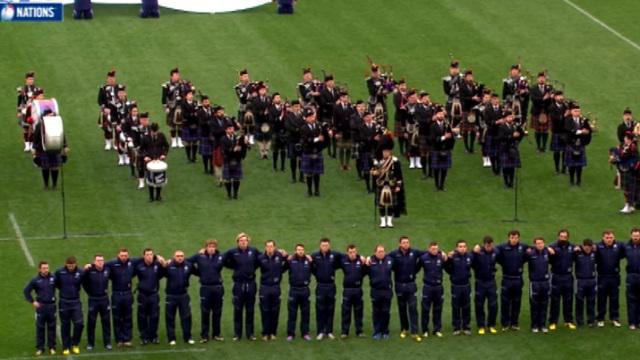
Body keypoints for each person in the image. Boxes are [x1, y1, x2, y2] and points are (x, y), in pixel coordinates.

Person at [223, 233, 260, 341]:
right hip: (238, 285)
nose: (243, 242)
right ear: (237, 242)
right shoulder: (232, 252)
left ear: (248, 241)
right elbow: (222, 259)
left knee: (250, 309)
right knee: (238, 310)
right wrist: (233, 266)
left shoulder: (253, 251)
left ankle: (250, 334)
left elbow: (262, 258)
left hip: (251, 284)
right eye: (241, 240)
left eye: (245, 240)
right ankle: (237, 334)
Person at [189, 240, 225, 343]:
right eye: (210, 246)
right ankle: (204, 336)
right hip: (205, 288)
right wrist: (198, 273)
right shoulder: (199, 256)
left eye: (213, 246)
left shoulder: (221, 256)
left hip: (218, 288)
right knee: (205, 312)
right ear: (206, 247)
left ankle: (216, 334)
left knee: (217, 312)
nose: (211, 248)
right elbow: (187, 262)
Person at [389, 236, 422, 341]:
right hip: (399, 285)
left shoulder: (414, 252)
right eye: (403, 242)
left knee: (413, 309)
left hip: (411, 285)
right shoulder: (394, 254)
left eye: (407, 242)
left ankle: (415, 331)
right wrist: (367, 259)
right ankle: (404, 329)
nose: (406, 244)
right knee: (402, 309)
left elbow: (428, 253)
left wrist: (441, 253)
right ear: (400, 244)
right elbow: (383, 258)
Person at [496, 230, 528, 330]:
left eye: (516, 238)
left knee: (516, 302)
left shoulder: (523, 247)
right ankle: (505, 324)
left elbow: (534, 249)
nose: (514, 239)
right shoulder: (502, 247)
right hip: (506, 279)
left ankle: (514, 323)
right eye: (512, 237)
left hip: (518, 279)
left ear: (519, 238)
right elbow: (493, 252)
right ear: (509, 238)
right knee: (505, 302)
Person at [24, 260, 57, 356]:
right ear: (39, 269)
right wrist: (32, 301)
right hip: (41, 307)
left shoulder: (54, 278)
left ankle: (52, 347)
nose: (45, 270)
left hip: (51, 306)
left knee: (52, 327)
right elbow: (26, 291)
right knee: (40, 328)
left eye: (47, 268)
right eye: (43, 268)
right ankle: (40, 348)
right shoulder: (35, 280)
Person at [161, 250, 195, 345]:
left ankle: (188, 337)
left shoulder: (188, 265)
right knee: (170, 318)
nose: (180, 257)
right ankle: (171, 338)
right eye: (177, 256)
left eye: (181, 256)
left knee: (186, 317)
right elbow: (160, 274)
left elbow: (198, 272)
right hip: (171, 296)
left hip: (183, 295)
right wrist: (162, 263)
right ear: (173, 257)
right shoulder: (169, 266)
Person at [371, 135, 405, 228]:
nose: (385, 153)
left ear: (390, 151)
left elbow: (399, 175)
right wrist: (374, 173)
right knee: (381, 204)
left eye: (387, 151)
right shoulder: (377, 161)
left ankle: (389, 221)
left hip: (391, 184)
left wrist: (398, 186)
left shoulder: (395, 161)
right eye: (384, 151)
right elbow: (373, 170)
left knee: (391, 204)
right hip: (380, 184)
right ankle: (382, 221)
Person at [31, 105, 69, 190]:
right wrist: (34, 148)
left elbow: (62, 135)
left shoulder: (56, 123)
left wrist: (65, 145)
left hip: (55, 148)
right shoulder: (40, 125)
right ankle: (46, 184)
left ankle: (54, 185)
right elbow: (36, 137)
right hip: (43, 148)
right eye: (49, 115)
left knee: (55, 167)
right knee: (45, 167)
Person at [311, 238, 342, 340]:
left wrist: (363, 258)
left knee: (330, 309)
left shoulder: (335, 255)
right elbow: (308, 263)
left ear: (329, 245)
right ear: (320, 246)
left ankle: (329, 331)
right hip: (320, 286)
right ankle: (320, 331)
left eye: (326, 245)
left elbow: (346, 256)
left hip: (331, 286)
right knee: (320, 309)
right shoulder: (315, 255)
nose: (325, 247)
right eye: (323, 245)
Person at [133, 248, 165, 345]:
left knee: (154, 316)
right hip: (142, 295)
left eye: (151, 254)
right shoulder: (139, 266)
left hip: (154, 295)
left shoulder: (157, 265)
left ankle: (153, 336)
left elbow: (164, 271)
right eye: (147, 254)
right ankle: (144, 337)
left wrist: (161, 261)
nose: (149, 256)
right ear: (144, 256)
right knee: (142, 317)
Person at [257, 240, 288, 341]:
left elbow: (289, 260)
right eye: (268, 247)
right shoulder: (260, 258)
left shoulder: (280, 255)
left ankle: (273, 332)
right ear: (265, 248)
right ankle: (265, 333)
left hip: (276, 287)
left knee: (275, 311)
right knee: (265, 310)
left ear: (275, 247)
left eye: (271, 246)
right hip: (264, 287)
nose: (270, 248)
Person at [81, 254, 112, 351]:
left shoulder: (107, 269)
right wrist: (89, 292)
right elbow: (83, 282)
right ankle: (90, 343)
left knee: (106, 322)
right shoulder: (89, 270)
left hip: (104, 299)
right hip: (93, 300)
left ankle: (107, 342)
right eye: (98, 260)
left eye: (102, 260)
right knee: (91, 322)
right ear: (94, 262)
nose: (100, 262)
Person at [55, 256, 84, 355]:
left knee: (79, 323)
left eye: (72, 265)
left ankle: (75, 343)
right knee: (65, 325)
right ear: (66, 264)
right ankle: (65, 346)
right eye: (69, 265)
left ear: (75, 264)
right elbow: (56, 284)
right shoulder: (59, 272)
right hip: (64, 302)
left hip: (76, 302)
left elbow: (85, 283)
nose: (71, 267)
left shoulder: (80, 272)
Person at [548, 229, 577, 330]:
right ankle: (553, 321)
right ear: (558, 236)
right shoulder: (552, 246)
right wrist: (547, 250)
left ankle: (568, 321)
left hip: (568, 277)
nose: (563, 238)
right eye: (561, 236)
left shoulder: (572, 247)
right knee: (554, 300)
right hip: (556, 276)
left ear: (568, 237)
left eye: (565, 237)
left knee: (568, 300)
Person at [105, 249, 134, 347]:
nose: (124, 257)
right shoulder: (112, 263)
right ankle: (119, 339)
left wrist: (157, 257)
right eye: (122, 255)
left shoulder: (132, 262)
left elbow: (144, 259)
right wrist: (90, 266)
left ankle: (127, 339)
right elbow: (101, 265)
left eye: (125, 255)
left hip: (128, 294)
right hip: (116, 294)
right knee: (117, 318)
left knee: (128, 317)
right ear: (118, 255)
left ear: (128, 255)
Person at [417, 242, 447, 338]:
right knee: (425, 309)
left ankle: (437, 329)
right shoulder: (423, 258)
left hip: (438, 287)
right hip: (427, 288)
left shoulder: (441, 257)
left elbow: (448, 268)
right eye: (433, 249)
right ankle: (425, 330)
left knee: (438, 309)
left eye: (436, 249)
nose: (435, 250)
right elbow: (416, 269)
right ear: (429, 249)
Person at [595, 230, 623, 327]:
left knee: (614, 299)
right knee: (601, 298)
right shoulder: (597, 246)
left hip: (615, 277)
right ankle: (600, 318)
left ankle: (615, 318)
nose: (609, 239)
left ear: (614, 238)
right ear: (603, 238)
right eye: (607, 238)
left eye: (611, 237)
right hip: (602, 277)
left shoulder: (619, 246)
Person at [445, 240, 474, 335]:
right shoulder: (452, 256)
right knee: (456, 307)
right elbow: (446, 266)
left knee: (466, 306)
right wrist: (452, 274)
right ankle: (456, 327)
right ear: (457, 248)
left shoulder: (470, 256)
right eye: (460, 246)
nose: (462, 248)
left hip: (466, 285)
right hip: (456, 286)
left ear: (466, 248)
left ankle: (466, 326)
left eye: (464, 246)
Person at [472, 236, 499, 335]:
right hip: (480, 282)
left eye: (490, 245)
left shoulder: (495, 252)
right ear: (484, 244)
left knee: (493, 305)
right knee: (479, 305)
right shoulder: (478, 252)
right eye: (487, 246)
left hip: (491, 282)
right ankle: (481, 326)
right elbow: (469, 258)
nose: (489, 247)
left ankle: (491, 325)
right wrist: (473, 251)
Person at [524, 237, 552, 333]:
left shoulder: (547, 252)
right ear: (535, 244)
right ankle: (534, 325)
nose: (540, 245)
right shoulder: (530, 254)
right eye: (538, 243)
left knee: (544, 304)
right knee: (534, 305)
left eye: (541, 243)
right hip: (534, 283)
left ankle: (543, 325)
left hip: (545, 282)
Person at [367, 244, 393, 340]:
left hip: (387, 291)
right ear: (375, 252)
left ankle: (385, 331)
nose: (381, 253)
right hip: (375, 291)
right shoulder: (370, 261)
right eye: (379, 251)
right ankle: (377, 332)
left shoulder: (390, 260)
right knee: (376, 312)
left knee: (386, 312)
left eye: (382, 251)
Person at [339, 244, 366, 338]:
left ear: (356, 252)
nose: (352, 254)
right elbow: (337, 255)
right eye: (350, 252)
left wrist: (362, 258)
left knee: (358, 311)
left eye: (354, 252)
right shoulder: (343, 261)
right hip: (347, 290)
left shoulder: (361, 261)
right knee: (346, 311)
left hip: (358, 290)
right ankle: (344, 332)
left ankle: (359, 331)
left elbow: (367, 268)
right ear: (347, 253)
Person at [300, 106, 328, 196]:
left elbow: (323, 137)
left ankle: (317, 190)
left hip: (317, 151)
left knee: (317, 173)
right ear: (306, 118)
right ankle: (309, 191)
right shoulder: (303, 128)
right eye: (310, 117)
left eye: (313, 116)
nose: (312, 118)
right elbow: (306, 140)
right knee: (309, 173)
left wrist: (324, 138)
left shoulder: (318, 126)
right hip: (308, 151)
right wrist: (317, 139)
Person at [286, 244, 312, 341]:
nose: (300, 251)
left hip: (305, 290)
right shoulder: (290, 260)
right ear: (295, 250)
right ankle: (290, 334)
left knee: (305, 313)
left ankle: (305, 333)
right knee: (292, 313)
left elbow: (315, 270)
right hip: (294, 290)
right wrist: (285, 257)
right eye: (298, 250)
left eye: (302, 250)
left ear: (304, 250)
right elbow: (282, 269)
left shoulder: (308, 261)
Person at [161, 67, 191, 148]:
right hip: (171, 107)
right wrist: (166, 107)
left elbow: (187, 93)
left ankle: (180, 140)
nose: (178, 76)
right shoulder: (166, 85)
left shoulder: (182, 84)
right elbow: (164, 97)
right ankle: (174, 140)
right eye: (176, 75)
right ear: (172, 76)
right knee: (172, 125)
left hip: (180, 106)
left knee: (180, 124)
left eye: (178, 75)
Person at [140, 122, 169, 202]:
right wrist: (145, 156)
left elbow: (166, 146)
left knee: (159, 179)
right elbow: (141, 149)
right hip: (149, 161)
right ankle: (151, 197)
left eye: (156, 131)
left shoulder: (161, 136)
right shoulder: (145, 137)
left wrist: (164, 154)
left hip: (159, 161)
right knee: (150, 179)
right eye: (153, 132)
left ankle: (158, 196)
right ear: (151, 131)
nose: (155, 133)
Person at [610, 133, 639, 213]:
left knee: (628, 188)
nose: (624, 139)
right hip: (628, 170)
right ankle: (631, 205)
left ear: (629, 139)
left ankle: (628, 206)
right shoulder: (628, 146)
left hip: (629, 170)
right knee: (630, 188)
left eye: (625, 138)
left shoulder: (631, 147)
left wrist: (614, 159)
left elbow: (623, 156)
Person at [564, 102, 592, 186]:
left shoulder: (583, 120)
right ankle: (572, 180)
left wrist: (588, 131)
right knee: (571, 165)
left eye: (579, 111)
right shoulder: (568, 120)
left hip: (580, 144)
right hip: (571, 144)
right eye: (575, 111)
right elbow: (569, 130)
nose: (577, 113)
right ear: (571, 112)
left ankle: (579, 180)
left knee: (579, 165)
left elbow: (588, 130)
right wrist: (581, 131)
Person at [429, 105, 455, 191]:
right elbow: (432, 139)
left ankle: (442, 186)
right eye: (439, 114)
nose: (441, 116)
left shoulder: (447, 125)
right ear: (436, 115)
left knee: (444, 169)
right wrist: (444, 137)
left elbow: (451, 137)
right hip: (436, 149)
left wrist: (450, 146)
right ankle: (436, 186)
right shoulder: (432, 126)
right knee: (436, 170)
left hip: (446, 149)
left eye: (442, 114)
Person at [574, 239, 597, 327]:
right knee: (579, 302)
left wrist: (595, 247)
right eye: (586, 247)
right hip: (580, 281)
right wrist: (576, 247)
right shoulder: (577, 253)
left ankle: (591, 321)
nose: (588, 249)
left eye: (590, 247)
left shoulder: (594, 253)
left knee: (591, 301)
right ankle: (579, 321)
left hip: (592, 281)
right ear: (583, 246)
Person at [497, 110, 523, 189]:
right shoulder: (501, 127)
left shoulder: (514, 126)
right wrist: (512, 135)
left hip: (512, 148)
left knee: (512, 168)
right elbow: (501, 138)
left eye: (511, 117)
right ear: (505, 118)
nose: (511, 118)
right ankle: (506, 183)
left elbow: (519, 135)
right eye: (509, 117)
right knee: (505, 168)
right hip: (505, 148)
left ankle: (511, 183)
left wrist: (519, 136)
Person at [221, 123, 248, 199]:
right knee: (228, 179)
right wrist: (233, 149)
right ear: (226, 130)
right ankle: (229, 194)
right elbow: (223, 151)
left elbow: (243, 149)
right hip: (228, 160)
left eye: (232, 129)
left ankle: (235, 194)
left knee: (236, 178)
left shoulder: (237, 138)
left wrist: (245, 144)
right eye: (229, 129)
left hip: (237, 159)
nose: (231, 130)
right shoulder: (223, 139)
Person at [529, 72, 553, 152]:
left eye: (543, 78)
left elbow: (551, 101)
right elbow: (533, 99)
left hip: (546, 111)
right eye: (540, 78)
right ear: (537, 79)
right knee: (537, 130)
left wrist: (551, 98)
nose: (542, 79)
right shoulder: (533, 88)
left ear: (545, 79)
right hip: (536, 111)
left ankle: (544, 146)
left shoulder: (550, 88)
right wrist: (544, 98)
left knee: (545, 131)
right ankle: (538, 146)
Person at [356, 112, 379, 193]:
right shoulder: (361, 127)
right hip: (365, 150)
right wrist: (373, 138)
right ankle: (368, 187)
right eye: (367, 117)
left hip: (374, 151)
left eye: (370, 117)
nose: (369, 118)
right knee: (366, 171)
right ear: (364, 118)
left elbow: (379, 136)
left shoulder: (375, 126)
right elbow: (362, 138)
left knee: (375, 170)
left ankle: (374, 187)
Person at [16, 71, 38, 152]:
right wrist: (18, 111)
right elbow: (19, 101)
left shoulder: (37, 89)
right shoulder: (22, 89)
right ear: (26, 80)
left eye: (32, 79)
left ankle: (32, 144)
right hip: (25, 111)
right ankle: (27, 145)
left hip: (34, 111)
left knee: (32, 128)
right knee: (25, 128)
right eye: (29, 79)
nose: (31, 81)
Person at [483, 93, 504, 175]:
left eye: (496, 99)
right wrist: (496, 122)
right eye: (493, 99)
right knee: (492, 154)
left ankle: (499, 169)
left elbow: (506, 118)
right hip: (491, 132)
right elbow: (487, 121)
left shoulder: (502, 108)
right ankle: (494, 169)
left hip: (501, 133)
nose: (495, 101)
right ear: (491, 100)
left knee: (499, 153)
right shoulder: (487, 109)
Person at [333, 91, 355, 170]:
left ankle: (347, 164)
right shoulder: (336, 107)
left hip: (349, 131)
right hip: (340, 131)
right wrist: (335, 132)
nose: (346, 99)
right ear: (341, 98)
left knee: (349, 148)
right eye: (344, 97)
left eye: (347, 97)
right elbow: (334, 121)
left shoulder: (351, 107)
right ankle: (342, 164)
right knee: (341, 148)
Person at [285, 100, 305, 183]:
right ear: (292, 107)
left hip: (301, 140)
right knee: (293, 160)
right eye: (296, 106)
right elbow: (287, 126)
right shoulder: (288, 116)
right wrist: (297, 129)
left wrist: (299, 129)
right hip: (292, 140)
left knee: (301, 159)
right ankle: (293, 177)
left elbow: (305, 126)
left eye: (298, 106)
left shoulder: (303, 116)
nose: (297, 108)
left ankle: (301, 176)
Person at [548, 91, 568, 174]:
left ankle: (564, 168)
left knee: (565, 151)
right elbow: (556, 120)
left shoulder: (565, 106)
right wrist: (564, 115)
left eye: (562, 96)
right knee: (557, 152)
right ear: (555, 97)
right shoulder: (552, 107)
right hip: (556, 131)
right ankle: (557, 169)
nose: (561, 97)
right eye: (559, 96)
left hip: (565, 131)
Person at [624, 228, 640, 330]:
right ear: (631, 236)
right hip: (630, 276)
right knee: (631, 301)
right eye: (634, 235)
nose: (636, 237)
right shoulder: (625, 246)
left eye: (637, 236)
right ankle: (632, 323)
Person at [179, 88, 200, 163]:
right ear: (186, 96)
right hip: (187, 124)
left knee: (195, 142)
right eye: (189, 94)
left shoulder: (195, 102)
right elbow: (184, 114)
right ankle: (188, 158)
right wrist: (193, 114)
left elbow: (198, 113)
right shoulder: (183, 103)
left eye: (192, 94)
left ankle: (194, 157)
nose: (191, 96)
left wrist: (193, 114)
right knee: (188, 142)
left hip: (195, 124)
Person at [269, 93, 288, 172]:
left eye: (279, 97)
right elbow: (271, 120)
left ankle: (283, 167)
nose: (278, 99)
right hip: (275, 131)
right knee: (275, 150)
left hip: (283, 131)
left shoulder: (284, 108)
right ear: (273, 100)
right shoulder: (271, 109)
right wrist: (280, 117)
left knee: (283, 150)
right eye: (276, 98)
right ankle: (274, 166)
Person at [197, 96, 214, 174]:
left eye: (208, 101)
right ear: (202, 103)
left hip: (212, 134)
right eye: (205, 102)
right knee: (205, 154)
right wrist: (208, 122)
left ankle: (211, 169)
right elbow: (201, 123)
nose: (207, 103)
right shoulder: (200, 112)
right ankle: (206, 169)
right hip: (204, 134)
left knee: (211, 153)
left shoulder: (213, 110)